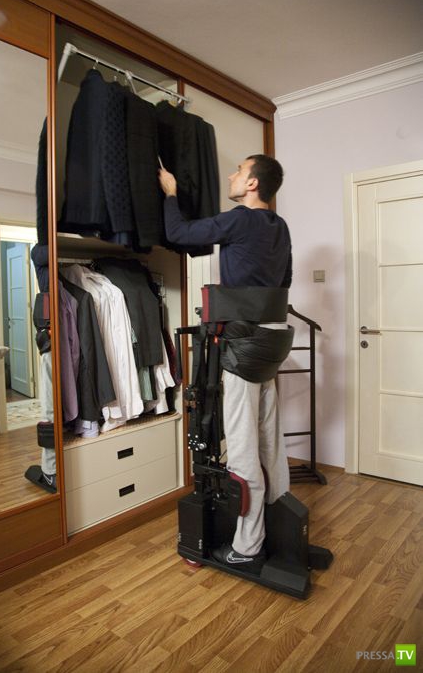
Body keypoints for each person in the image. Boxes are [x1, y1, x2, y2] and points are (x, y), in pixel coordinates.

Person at [159, 155, 292, 572]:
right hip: (272, 340)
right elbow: (285, 280)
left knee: (241, 445)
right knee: (269, 435)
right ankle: (279, 524)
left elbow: (178, 233)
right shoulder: (279, 226)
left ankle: (248, 548)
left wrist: (171, 194)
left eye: (238, 170)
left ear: (252, 183)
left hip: (244, 343)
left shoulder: (240, 220)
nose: (232, 175)